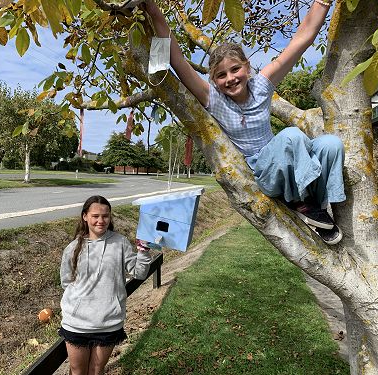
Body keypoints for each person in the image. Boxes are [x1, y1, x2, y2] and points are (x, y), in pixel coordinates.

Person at [143, 0, 345, 245]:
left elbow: (301, 40)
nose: (230, 78)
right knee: (292, 136)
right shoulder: (213, 99)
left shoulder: (262, 85)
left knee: (331, 144)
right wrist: (153, 12)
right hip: (266, 173)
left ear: (247, 68)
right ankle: (302, 202)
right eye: (221, 75)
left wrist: (323, 3)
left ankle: (319, 207)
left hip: (287, 161)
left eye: (235, 69)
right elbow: (177, 61)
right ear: (214, 80)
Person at [58, 195, 152, 375]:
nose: (101, 220)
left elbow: (139, 273)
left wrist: (143, 251)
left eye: (105, 216)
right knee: (77, 371)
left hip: (109, 322)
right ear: (85, 216)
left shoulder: (120, 242)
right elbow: (66, 282)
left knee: (96, 370)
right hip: (76, 324)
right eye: (95, 216)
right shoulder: (72, 248)